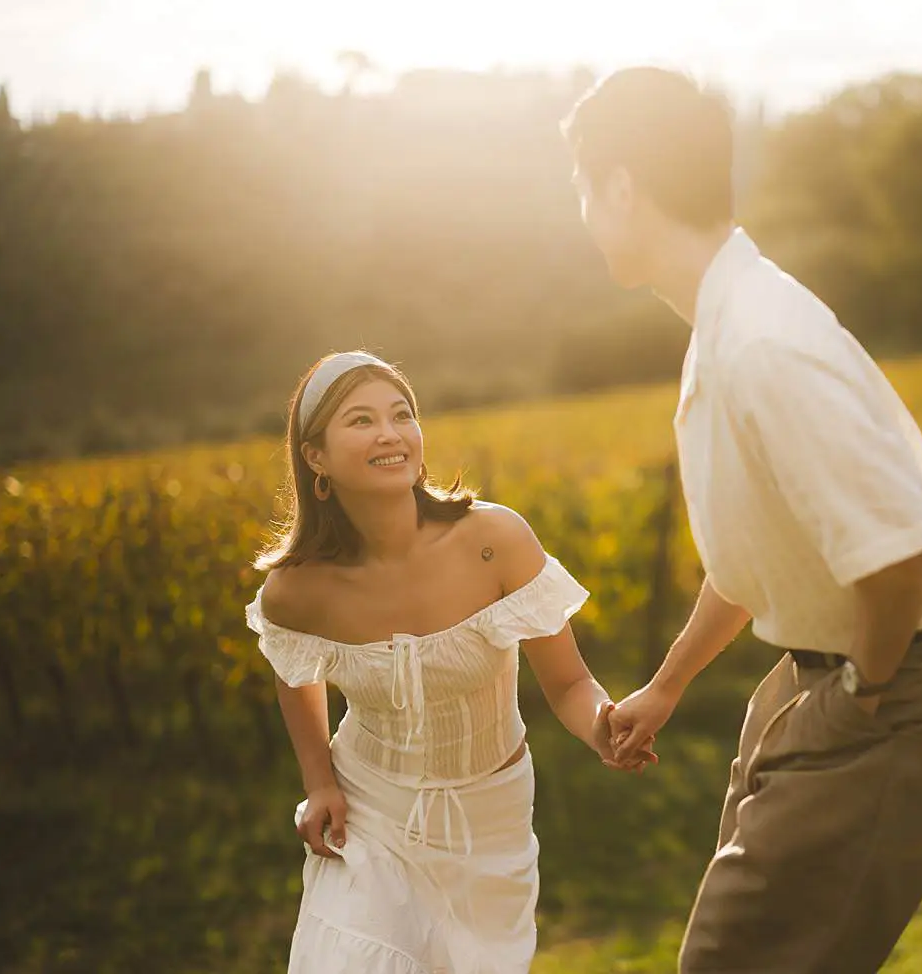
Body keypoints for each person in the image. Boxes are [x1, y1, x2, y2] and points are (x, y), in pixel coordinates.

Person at [562, 67, 922, 973]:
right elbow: (761, 552)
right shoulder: (724, 326)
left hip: (888, 690)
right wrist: (670, 685)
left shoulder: (762, 342)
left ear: (621, 188)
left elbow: (895, 552)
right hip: (825, 682)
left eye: (581, 185)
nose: (580, 211)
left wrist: (862, 700)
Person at [244, 350, 655, 974]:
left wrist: (602, 725)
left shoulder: (494, 541)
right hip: (371, 811)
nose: (389, 433)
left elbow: (569, 681)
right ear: (316, 457)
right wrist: (320, 780)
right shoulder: (297, 591)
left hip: (490, 819)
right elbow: (295, 677)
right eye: (360, 420)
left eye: (400, 414)